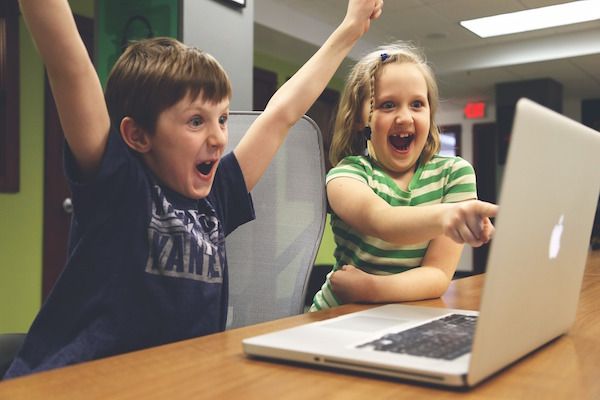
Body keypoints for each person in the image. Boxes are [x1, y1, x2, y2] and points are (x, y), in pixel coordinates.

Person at [5, 0, 383, 378]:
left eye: (221, 118)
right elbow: (69, 68)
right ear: (137, 135)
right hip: (75, 382)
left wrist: (349, 28)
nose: (219, 138)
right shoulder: (118, 184)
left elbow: (281, 115)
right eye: (196, 121)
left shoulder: (217, 196)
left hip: (175, 380)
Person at [310, 42, 498, 311]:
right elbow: (383, 221)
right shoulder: (346, 176)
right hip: (338, 314)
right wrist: (449, 216)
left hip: (403, 315)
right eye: (388, 105)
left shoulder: (454, 174)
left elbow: (438, 275)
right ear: (360, 118)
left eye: (417, 104)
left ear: (430, 113)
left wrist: (370, 289)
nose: (404, 117)